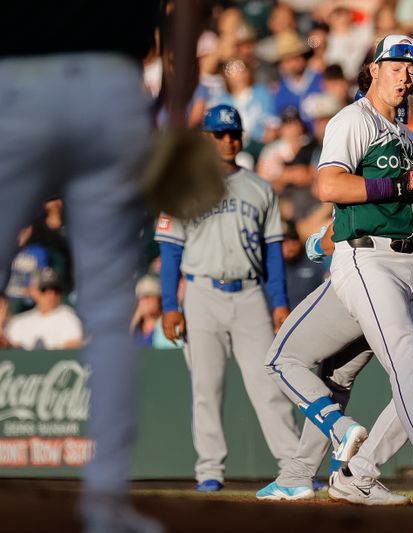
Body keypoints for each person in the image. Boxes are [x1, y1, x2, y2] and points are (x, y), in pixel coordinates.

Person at [264, 35, 413, 507]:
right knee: (403, 359)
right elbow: (329, 183)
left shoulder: (408, 139)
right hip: (367, 259)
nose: (406, 74)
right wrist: (406, 182)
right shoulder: (353, 119)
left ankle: (357, 473)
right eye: (397, 64)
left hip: (409, 261)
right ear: (374, 68)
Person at [0, 3, 161, 531]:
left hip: (18, 76)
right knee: (111, 309)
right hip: (111, 85)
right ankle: (107, 504)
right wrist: (177, 106)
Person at [258, 202, 413, 503]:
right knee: (337, 380)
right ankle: (304, 474)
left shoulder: (383, 156)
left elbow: (342, 231)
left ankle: (341, 432)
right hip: (405, 285)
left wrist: (317, 243)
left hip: (364, 274)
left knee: (280, 359)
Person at [155, 104, 300, 492]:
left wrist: (280, 302)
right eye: (219, 134)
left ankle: (293, 467)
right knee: (207, 387)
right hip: (201, 292)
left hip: (250, 292)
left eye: (233, 133)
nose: (228, 140)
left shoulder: (259, 187)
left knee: (270, 386)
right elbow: (169, 252)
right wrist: (169, 305)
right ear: (206, 138)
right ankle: (209, 471)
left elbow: (272, 252)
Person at [4, 267, 83, 350]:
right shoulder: (18, 322)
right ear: (33, 291)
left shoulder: (70, 318)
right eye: (44, 289)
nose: (51, 295)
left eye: (56, 289)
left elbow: (73, 348)